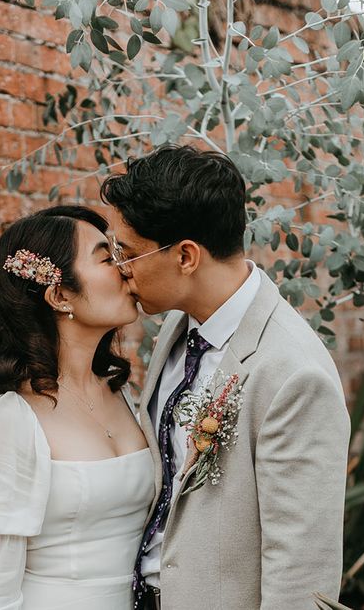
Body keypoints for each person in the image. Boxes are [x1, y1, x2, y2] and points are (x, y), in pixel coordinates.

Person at [100, 144, 351, 610]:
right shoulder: (178, 327)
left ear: (186, 257)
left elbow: (302, 567)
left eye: (127, 252)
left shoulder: (294, 374)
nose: (119, 267)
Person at [0, 205, 154, 609]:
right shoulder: (10, 419)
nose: (126, 268)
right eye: (107, 258)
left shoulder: (124, 394)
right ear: (59, 295)